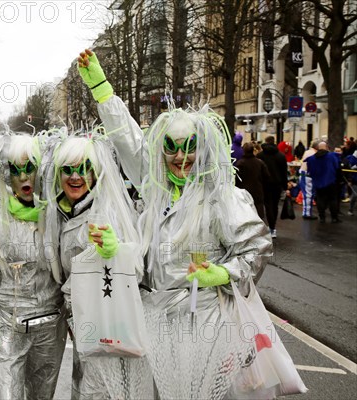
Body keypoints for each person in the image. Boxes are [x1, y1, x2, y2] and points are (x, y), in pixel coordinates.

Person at [77, 49, 280, 398]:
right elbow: (128, 140)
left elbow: (257, 247)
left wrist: (224, 273)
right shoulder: (155, 189)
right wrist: (102, 89)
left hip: (206, 322)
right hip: (155, 322)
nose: (180, 158)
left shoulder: (222, 197)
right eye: (171, 148)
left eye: (189, 148)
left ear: (203, 148)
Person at [41, 133, 152, 399]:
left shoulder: (108, 212)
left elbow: (136, 270)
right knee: (87, 386)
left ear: (96, 172)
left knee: (103, 391)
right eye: (67, 170)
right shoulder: (61, 212)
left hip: (110, 325)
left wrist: (117, 251)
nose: (75, 177)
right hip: (82, 324)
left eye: (83, 169)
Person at [0, 134, 67, 400]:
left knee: (42, 396)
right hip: (5, 325)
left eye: (29, 167)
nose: (23, 177)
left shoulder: (58, 214)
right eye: (15, 169)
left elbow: (73, 271)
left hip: (49, 326)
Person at [257, 136, 288, 238]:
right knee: (275, 205)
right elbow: (284, 172)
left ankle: (270, 226)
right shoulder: (281, 156)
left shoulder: (260, 155)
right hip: (277, 184)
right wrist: (285, 186)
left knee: (267, 204)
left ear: (265, 142)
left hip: (265, 184)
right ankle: (272, 227)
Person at [305, 141, 341, 223]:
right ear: (326, 147)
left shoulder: (311, 158)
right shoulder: (332, 156)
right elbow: (337, 167)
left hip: (318, 182)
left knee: (320, 199)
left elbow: (309, 170)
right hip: (331, 181)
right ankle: (334, 218)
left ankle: (322, 217)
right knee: (333, 199)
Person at [235, 142, 270, 220]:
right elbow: (267, 176)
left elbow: (236, 179)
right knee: (258, 214)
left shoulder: (240, 163)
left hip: (244, 192)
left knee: (245, 214)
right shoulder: (259, 162)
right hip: (257, 190)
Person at [298, 139, 320, 219]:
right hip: (307, 174)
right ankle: (307, 213)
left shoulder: (308, 151)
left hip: (305, 174)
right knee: (308, 195)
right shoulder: (313, 153)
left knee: (308, 194)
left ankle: (307, 212)